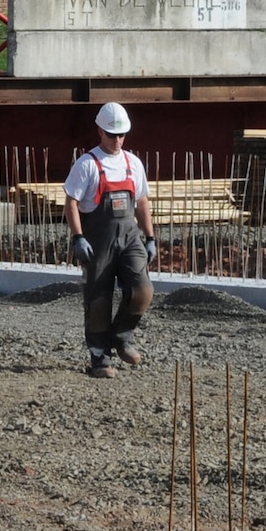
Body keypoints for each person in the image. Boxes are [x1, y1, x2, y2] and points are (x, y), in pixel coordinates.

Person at [62, 102, 156, 377]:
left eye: (121, 135)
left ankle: (121, 336)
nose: (117, 140)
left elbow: (141, 201)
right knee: (99, 300)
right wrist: (78, 237)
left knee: (143, 290)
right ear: (99, 132)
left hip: (129, 236)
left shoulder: (132, 163)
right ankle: (99, 359)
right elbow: (71, 203)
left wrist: (150, 237)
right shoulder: (87, 164)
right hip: (98, 238)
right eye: (111, 135)